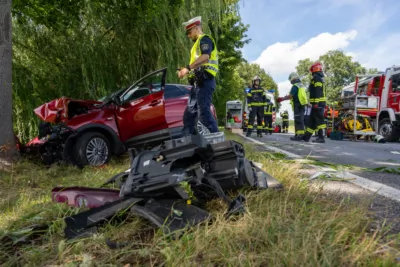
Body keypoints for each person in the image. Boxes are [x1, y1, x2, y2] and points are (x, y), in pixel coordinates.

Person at [178, 16, 219, 135]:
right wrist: (186, 72)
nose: (188, 35)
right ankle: (186, 141)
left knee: (204, 113)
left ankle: (217, 140)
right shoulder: (195, 46)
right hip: (198, 84)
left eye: (189, 32)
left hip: (206, 82)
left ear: (196, 28)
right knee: (189, 114)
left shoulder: (204, 39)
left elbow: (205, 57)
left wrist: (188, 67)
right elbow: (197, 66)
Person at [277, 72, 308, 141]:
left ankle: (299, 136)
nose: (290, 81)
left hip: (298, 105)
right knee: (301, 120)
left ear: (293, 78)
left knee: (298, 121)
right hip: (302, 105)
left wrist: (282, 99)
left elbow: (291, 96)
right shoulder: (301, 85)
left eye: (290, 79)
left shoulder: (295, 86)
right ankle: (301, 135)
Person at [303, 62, 326, 143]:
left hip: (318, 104)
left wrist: (316, 103)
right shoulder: (318, 78)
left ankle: (321, 138)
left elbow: (317, 91)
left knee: (319, 121)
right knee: (311, 121)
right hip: (315, 104)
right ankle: (306, 137)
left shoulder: (317, 78)